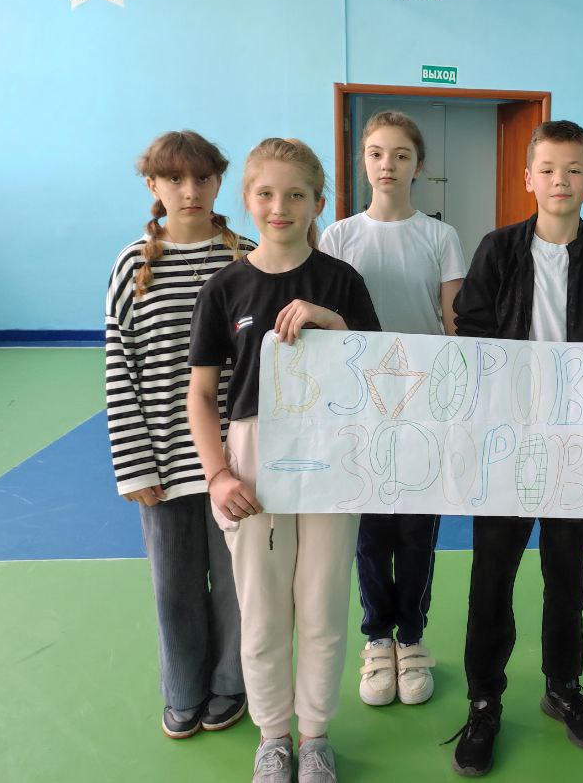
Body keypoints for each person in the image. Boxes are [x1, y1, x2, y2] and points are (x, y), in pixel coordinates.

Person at [447, 119, 583, 777]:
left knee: (567, 576)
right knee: (492, 577)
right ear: (529, 177)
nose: (561, 180)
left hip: (576, 447)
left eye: (574, 169)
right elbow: (471, 329)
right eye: (549, 169)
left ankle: (563, 687)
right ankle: (483, 701)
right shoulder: (499, 250)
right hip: (507, 445)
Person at [187, 138, 381, 783]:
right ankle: (273, 736)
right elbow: (201, 393)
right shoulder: (225, 287)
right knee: (264, 610)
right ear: (247, 199)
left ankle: (315, 735)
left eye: (296, 194)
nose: (280, 206)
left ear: (318, 203)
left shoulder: (341, 282)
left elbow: (378, 374)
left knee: (322, 607)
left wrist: (333, 322)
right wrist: (218, 474)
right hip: (253, 458)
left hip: (331, 453)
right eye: (267, 194)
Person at [105, 130, 252, 739]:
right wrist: (135, 465)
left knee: (239, 588)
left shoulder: (246, 258)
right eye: (174, 178)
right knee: (175, 588)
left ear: (219, 182)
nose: (189, 190)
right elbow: (120, 367)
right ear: (153, 185)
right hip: (164, 463)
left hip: (238, 463)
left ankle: (230, 684)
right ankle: (184, 691)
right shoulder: (132, 265)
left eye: (202, 178)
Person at [319, 111, 465, 708]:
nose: (388, 165)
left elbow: (454, 326)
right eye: (377, 153)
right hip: (361, 406)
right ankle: (377, 638)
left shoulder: (440, 237)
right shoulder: (338, 237)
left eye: (401, 155)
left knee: (417, 529)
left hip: (424, 405)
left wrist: (456, 402)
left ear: (418, 166)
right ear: (363, 161)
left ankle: (412, 637)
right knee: (372, 529)